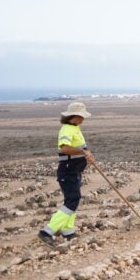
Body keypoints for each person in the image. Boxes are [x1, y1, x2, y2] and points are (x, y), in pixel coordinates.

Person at [37, 102, 95, 247]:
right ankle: (46, 232)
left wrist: (86, 155)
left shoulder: (75, 128)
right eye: (82, 116)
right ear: (74, 117)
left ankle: (68, 231)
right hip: (68, 170)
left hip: (74, 170)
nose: (83, 119)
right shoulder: (66, 130)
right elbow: (65, 149)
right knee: (72, 199)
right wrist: (83, 152)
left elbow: (80, 148)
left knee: (73, 199)